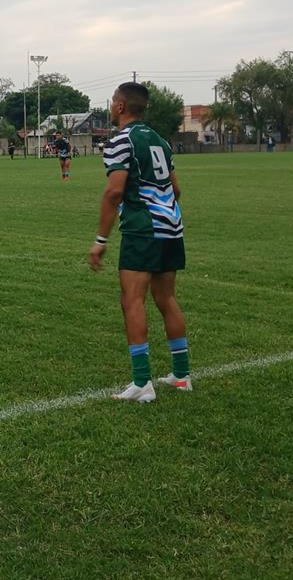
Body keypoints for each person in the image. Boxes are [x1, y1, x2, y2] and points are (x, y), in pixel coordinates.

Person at [88, 82, 191, 403]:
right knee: (167, 299)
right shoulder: (160, 140)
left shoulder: (120, 140)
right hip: (171, 229)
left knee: (131, 301)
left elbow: (114, 191)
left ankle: (142, 383)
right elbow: (175, 189)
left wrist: (101, 239)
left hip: (142, 232)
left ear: (120, 106)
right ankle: (181, 375)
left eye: (113, 102)